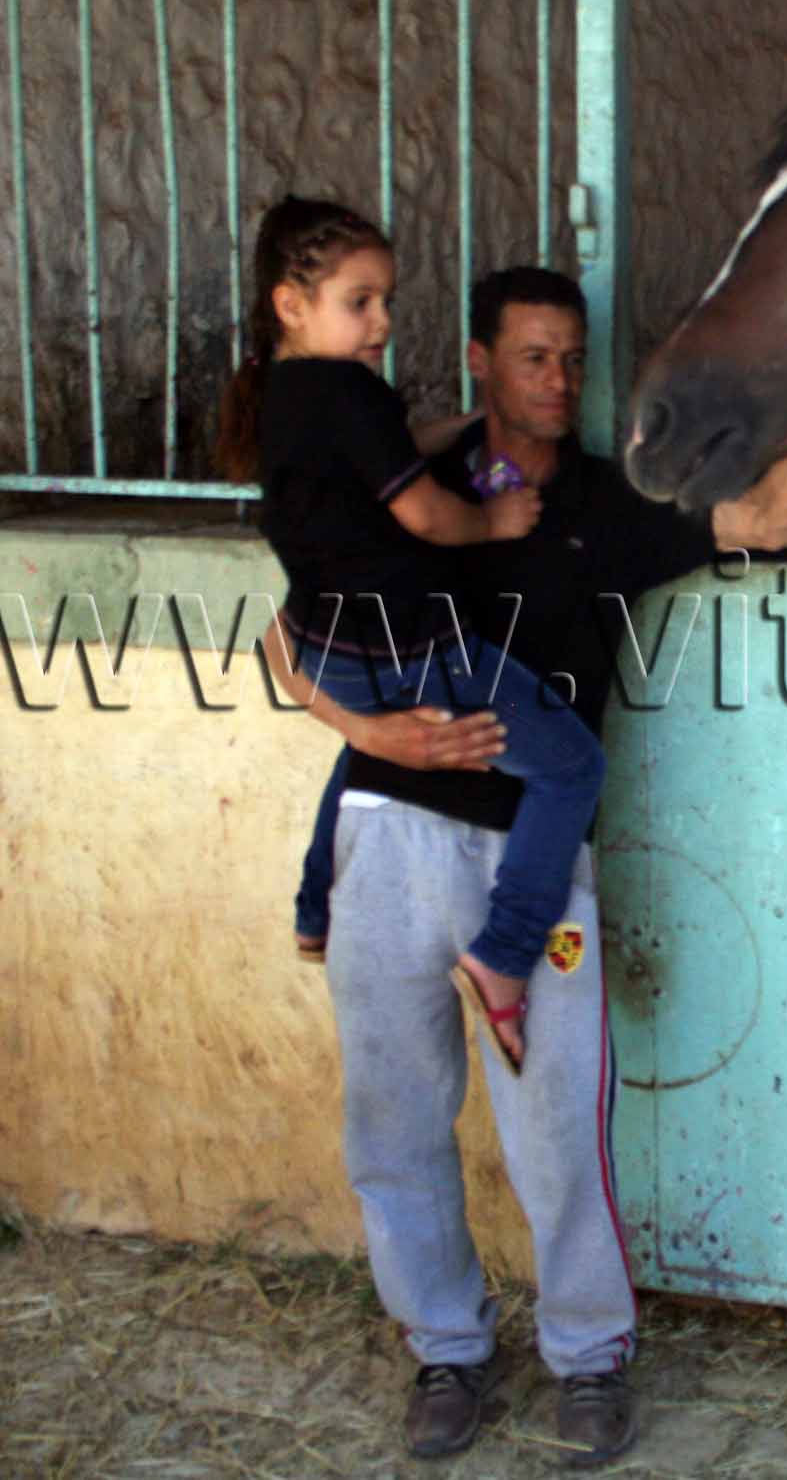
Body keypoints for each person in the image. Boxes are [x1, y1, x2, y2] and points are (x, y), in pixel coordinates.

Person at [275, 262, 787, 1465]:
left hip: (533, 862)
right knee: (392, 1122)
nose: (558, 380)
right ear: (478, 360)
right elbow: (284, 638)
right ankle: (446, 1351)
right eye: (532, 357)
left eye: (573, 359)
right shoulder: (412, 483)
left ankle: (587, 1359)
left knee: (554, 1135)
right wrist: (368, 732)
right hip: (386, 829)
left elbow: (773, 517)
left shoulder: (609, 501)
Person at [217, 198, 608, 1069]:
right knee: (575, 765)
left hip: (329, 646)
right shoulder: (352, 391)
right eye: (361, 302)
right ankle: (505, 956)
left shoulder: (280, 394)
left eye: (386, 300)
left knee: (367, 750)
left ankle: (315, 904)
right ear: (292, 304)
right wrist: (495, 519)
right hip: (416, 648)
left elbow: (380, 450)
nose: (383, 322)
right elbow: (427, 515)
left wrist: (457, 429)